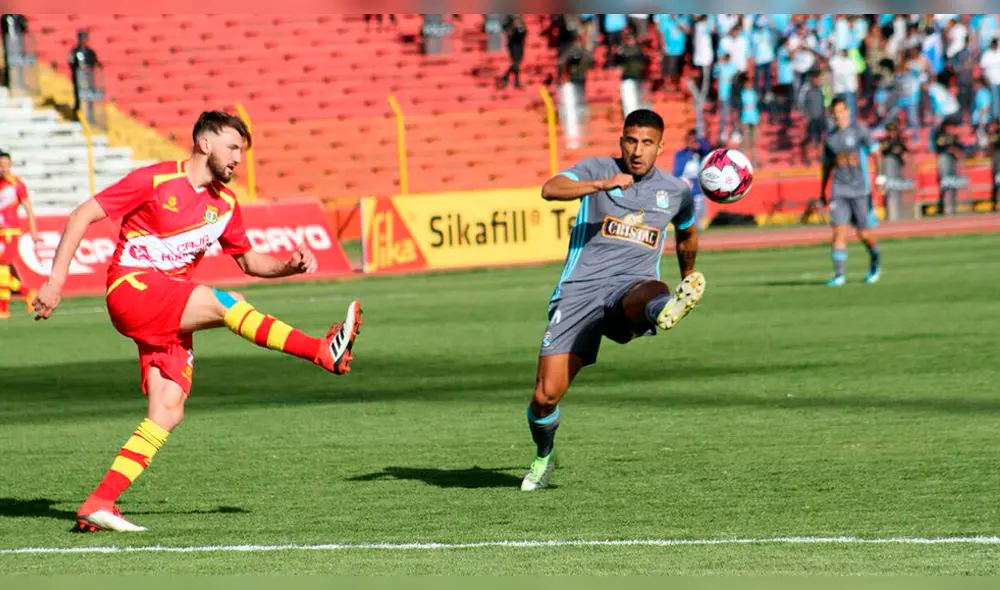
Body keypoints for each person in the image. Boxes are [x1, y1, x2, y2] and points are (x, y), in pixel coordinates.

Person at [32, 111, 363, 532]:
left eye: (242, 150)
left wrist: (288, 266)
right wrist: (55, 281)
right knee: (227, 303)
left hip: (169, 305)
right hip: (132, 288)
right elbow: (81, 214)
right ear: (205, 143)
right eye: (232, 147)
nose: (238, 158)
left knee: (167, 411)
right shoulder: (155, 180)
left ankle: (100, 501)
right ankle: (320, 351)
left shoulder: (225, 204)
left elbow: (249, 261)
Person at [522, 109, 706, 491]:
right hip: (580, 292)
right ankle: (544, 455)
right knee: (544, 397)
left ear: (660, 147)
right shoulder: (597, 169)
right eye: (631, 141)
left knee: (650, 292)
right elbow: (550, 189)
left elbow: (687, 232)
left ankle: (666, 307)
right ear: (621, 141)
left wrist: (688, 275)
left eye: (647, 143)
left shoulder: (675, 191)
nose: (637, 151)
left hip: (630, 288)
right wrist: (601, 185)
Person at [819, 97, 883, 287]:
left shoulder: (859, 131)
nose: (838, 115)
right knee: (839, 231)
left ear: (847, 112)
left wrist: (880, 178)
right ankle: (839, 275)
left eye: (841, 111)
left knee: (864, 234)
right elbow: (827, 166)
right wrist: (822, 190)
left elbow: (876, 152)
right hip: (839, 190)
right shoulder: (830, 139)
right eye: (835, 112)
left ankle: (875, 258)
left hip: (860, 190)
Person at [0, 150, 40, 318]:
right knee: (2, 270)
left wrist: (33, 231)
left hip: (10, 232)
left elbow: (28, 208)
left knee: (2, 267)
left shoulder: (16, 184)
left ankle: (3, 309)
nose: (4, 168)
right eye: (1, 165)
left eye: (6, 165)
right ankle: (28, 293)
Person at [672, 129, 711, 228]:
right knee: (685, 215)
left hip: (698, 191)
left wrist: (699, 141)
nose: (692, 142)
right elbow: (677, 172)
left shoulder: (701, 154)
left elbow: (707, 149)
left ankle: (695, 231)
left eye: (694, 140)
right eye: (690, 139)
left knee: (697, 215)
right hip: (685, 190)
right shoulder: (681, 154)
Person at [497, 15, 527, 89]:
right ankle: (516, 81)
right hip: (513, 44)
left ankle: (506, 77)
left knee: (517, 63)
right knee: (516, 63)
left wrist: (520, 30)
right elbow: (504, 27)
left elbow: (523, 31)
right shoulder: (510, 18)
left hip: (519, 44)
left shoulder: (519, 19)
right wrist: (511, 30)